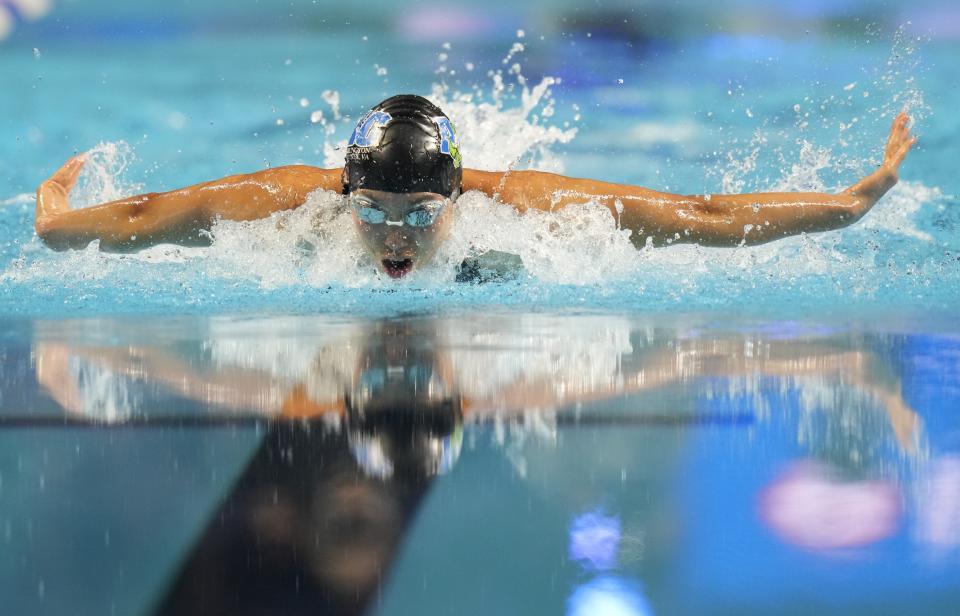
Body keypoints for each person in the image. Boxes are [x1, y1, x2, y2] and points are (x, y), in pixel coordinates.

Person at [34, 94, 916, 279]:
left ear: (456, 197)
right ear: (343, 190)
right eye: (372, 211)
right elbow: (160, 213)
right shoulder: (289, 199)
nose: (394, 237)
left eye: (418, 213)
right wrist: (56, 226)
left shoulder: (523, 208)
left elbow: (703, 216)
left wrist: (848, 204)